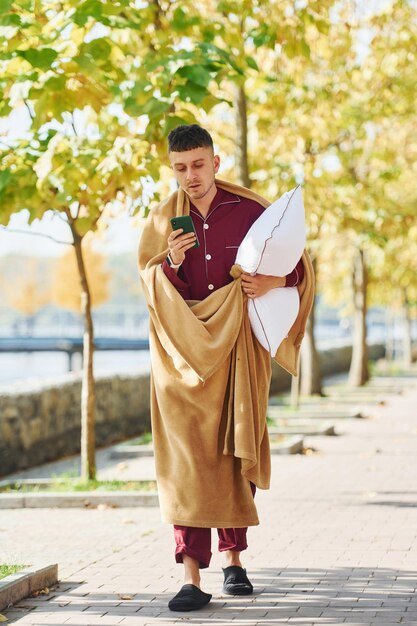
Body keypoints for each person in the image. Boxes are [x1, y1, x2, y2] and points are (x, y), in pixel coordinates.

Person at [138, 124, 314, 612]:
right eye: (179, 168)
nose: (190, 176)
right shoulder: (162, 220)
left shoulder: (251, 211)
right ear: (171, 169)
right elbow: (149, 283)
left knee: (234, 449)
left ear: (215, 163)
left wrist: (274, 279)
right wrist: (170, 265)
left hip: (238, 349)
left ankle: (234, 560)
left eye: (198, 164)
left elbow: (299, 264)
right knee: (187, 459)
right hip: (184, 359)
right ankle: (191, 577)